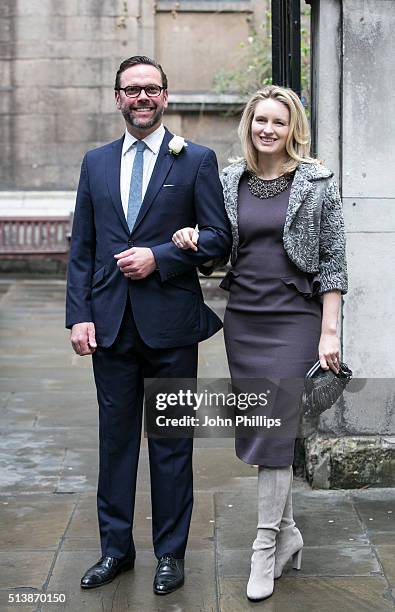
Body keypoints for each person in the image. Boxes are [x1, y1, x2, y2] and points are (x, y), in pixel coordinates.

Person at [171, 85, 348, 601]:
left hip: (295, 318)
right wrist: (191, 239)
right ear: (249, 125)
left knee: (272, 432)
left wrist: (329, 330)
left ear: (293, 128)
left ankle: (264, 546)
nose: (267, 129)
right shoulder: (231, 180)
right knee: (265, 430)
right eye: (259, 121)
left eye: (278, 121)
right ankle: (290, 534)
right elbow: (217, 247)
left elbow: (334, 259)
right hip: (245, 317)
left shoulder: (316, 182)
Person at [65, 55, 231, 595]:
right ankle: (115, 551)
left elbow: (217, 240)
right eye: (132, 89)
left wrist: (162, 256)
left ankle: (169, 555)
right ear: (117, 97)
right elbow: (83, 249)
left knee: (171, 444)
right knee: (114, 444)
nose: (142, 98)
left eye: (151, 89)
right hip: (110, 326)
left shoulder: (196, 160)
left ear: (166, 95)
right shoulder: (94, 162)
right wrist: (79, 316)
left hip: (171, 329)